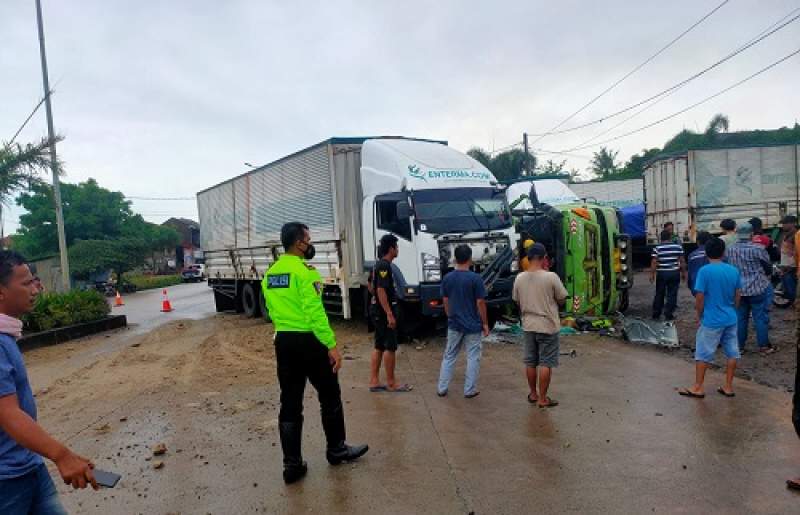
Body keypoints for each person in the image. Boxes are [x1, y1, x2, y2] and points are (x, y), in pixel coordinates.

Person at [262, 223, 368, 484]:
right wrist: (331, 345)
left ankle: (292, 466)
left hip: (284, 341)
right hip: (309, 340)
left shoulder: (270, 274)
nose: (310, 244)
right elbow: (315, 313)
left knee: (290, 403)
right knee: (330, 395)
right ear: (299, 243)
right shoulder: (305, 272)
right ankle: (337, 449)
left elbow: (272, 311)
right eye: (308, 239)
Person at [0, 250, 98, 513]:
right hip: (6, 482)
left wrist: (64, 456)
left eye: (34, 281)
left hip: (29, 466)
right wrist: (62, 456)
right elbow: (7, 413)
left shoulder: (6, 335)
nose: (35, 289)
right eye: (26, 283)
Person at [679, 238, 742, 399]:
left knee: (703, 353)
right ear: (723, 252)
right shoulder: (733, 270)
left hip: (712, 319)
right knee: (732, 352)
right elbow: (738, 295)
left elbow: (699, 296)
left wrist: (700, 314)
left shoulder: (704, 271)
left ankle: (698, 387)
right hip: (730, 317)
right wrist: (733, 309)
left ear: (706, 252)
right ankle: (728, 387)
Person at [512, 243, 568, 408]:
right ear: (544, 258)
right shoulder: (551, 277)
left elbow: (516, 300)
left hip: (528, 325)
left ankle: (533, 394)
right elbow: (562, 299)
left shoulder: (519, 278)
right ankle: (543, 399)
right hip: (547, 326)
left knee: (530, 362)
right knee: (545, 362)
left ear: (528, 258)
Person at [436, 245, 489, 399]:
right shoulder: (475, 279)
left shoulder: (447, 278)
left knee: (449, 355)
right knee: (473, 357)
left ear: (455, 259)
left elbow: (445, 300)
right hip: (473, 325)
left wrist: (449, 315)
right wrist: (485, 323)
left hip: (454, 324)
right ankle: (469, 390)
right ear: (470, 259)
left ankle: (442, 388)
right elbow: (480, 302)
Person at [368, 234, 412, 393]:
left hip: (377, 311)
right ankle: (391, 383)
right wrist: (389, 313)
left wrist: (377, 302)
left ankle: (374, 381)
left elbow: (370, 285)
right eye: (397, 247)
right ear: (391, 248)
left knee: (379, 345)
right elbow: (380, 289)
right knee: (390, 346)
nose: (398, 249)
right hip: (383, 313)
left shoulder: (377, 265)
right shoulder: (384, 266)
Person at [726, 222, 777, 355]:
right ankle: (764, 347)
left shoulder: (730, 249)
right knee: (760, 318)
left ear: (737, 233)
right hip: (757, 288)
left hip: (739, 290)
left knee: (741, 319)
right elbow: (768, 267)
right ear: (752, 234)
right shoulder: (758, 249)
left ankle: (739, 347)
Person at [650, 230, 686, 320]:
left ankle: (656, 313)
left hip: (662, 273)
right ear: (670, 237)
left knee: (659, 293)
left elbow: (654, 262)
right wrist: (683, 273)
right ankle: (669, 314)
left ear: (661, 238)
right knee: (672, 294)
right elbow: (682, 261)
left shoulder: (657, 248)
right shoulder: (678, 247)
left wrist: (652, 274)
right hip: (674, 273)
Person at [778, 215, 798, 306]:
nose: (783, 225)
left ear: (793, 224)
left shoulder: (796, 236)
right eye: (783, 223)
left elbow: (796, 253)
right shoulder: (786, 235)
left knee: (792, 292)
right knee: (789, 292)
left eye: (785, 223)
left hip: (791, 269)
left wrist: (791, 267)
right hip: (785, 268)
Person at [687, 231, 711, 295]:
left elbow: (690, 273)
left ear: (698, 242)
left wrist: (690, 285)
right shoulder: (714, 254)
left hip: (696, 287)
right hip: (711, 287)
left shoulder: (692, 255)